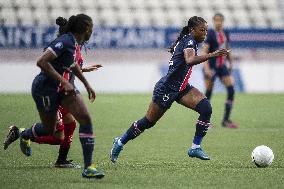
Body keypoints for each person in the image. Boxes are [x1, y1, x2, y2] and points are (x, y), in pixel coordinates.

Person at [110, 16, 230, 163]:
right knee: (148, 122)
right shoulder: (189, 40)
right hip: (167, 89)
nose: (205, 33)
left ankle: (195, 147)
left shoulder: (190, 39)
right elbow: (190, 60)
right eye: (202, 30)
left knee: (206, 108)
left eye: (206, 30)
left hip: (182, 87)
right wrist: (213, 54)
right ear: (193, 30)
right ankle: (120, 142)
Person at [3, 14, 104, 179]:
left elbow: (71, 64)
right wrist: (63, 81)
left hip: (64, 90)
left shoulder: (74, 44)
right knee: (54, 133)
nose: (92, 31)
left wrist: (86, 83)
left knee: (83, 119)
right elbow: (42, 61)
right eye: (91, 28)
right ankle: (23, 133)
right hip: (47, 89)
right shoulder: (65, 41)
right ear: (86, 29)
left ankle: (86, 167)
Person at [201, 13, 238, 128]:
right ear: (213, 21)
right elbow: (204, 52)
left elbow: (227, 48)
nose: (218, 22)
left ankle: (226, 120)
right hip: (211, 66)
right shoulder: (210, 34)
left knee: (231, 90)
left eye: (220, 20)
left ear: (223, 21)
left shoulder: (225, 33)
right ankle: (205, 121)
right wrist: (206, 68)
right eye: (216, 20)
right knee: (208, 94)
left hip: (222, 66)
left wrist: (231, 63)